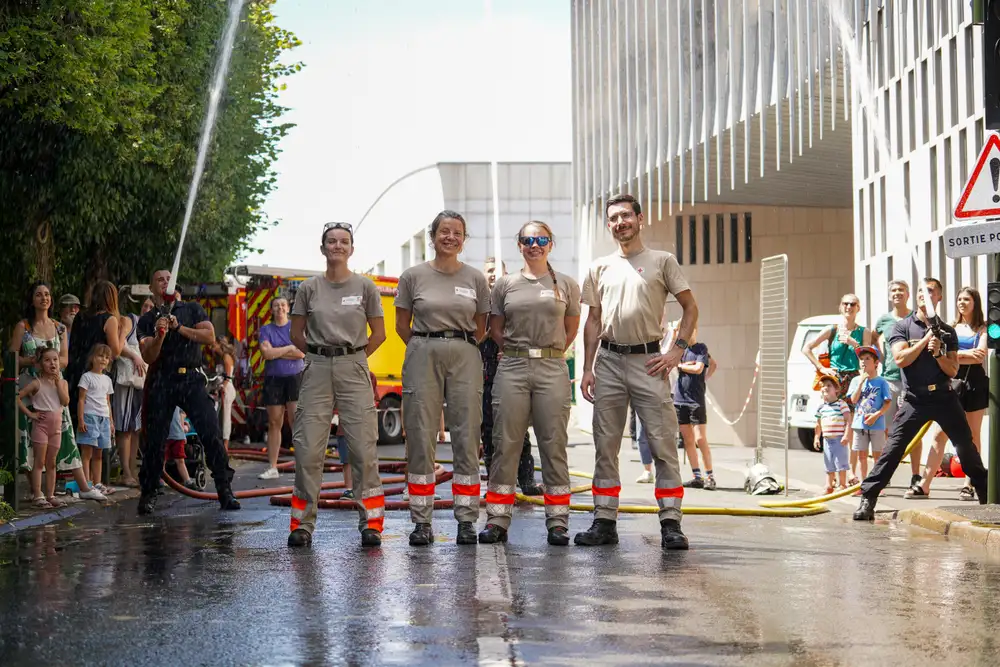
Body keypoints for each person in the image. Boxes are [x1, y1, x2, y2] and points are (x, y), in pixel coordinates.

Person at [578, 193, 698, 551]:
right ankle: (604, 521)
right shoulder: (599, 267)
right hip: (609, 362)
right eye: (613, 218)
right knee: (605, 446)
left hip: (649, 361)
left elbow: (691, 309)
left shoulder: (662, 261)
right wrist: (586, 367)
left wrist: (677, 352)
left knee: (663, 444)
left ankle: (671, 522)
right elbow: (593, 319)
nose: (620, 223)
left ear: (640, 219)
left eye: (626, 216)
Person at [478, 222, 581, 545]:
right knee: (505, 444)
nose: (534, 245)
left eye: (540, 240)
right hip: (513, 366)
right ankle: (497, 519)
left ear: (551, 244)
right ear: (519, 244)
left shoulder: (566, 284)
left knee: (554, 445)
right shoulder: (505, 285)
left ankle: (558, 521)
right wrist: (515, 352)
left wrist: (552, 352)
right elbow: (495, 328)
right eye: (527, 240)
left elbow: (572, 327)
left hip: (551, 366)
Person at [854, 278, 990, 520]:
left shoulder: (947, 331)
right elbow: (900, 359)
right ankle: (868, 498)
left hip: (944, 397)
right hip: (914, 399)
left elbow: (952, 370)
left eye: (931, 292)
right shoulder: (903, 327)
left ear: (938, 297)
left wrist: (938, 354)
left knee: (966, 447)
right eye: (921, 291)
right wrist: (927, 340)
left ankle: (985, 494)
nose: (925, 295)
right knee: (893, 449)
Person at [287, 222, 386, 548]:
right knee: (308, 449)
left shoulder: (366, 287)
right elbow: (296, 334)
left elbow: (380, 334)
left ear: (351, 249)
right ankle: (302, 525)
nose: (337, 246)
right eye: (332, 241)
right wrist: (318, 357)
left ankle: (371, 523)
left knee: (362, 448)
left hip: (353, 366)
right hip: (316, 366)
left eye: (344, 241)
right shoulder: (309, 288)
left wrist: (355, 357)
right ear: (323, 247)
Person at [395, 210, 490, 547]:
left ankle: (466, 519)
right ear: (433, 236)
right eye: (444, 231)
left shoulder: (476, 278)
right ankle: (422, 521)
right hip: (423, 349)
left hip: (464, 351)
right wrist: (426, 346)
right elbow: (401, 324)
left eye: (457, 233)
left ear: (463, 240)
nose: (450, 237)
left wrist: (457, 345)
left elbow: (482, 325)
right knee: (421, 435)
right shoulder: (412, 276)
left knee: (466, 435)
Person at [136, 268, 240, 515]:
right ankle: (148, 492)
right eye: (158, 279)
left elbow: (208, 335)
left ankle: (225, 490)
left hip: (191, 377)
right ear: (152, 288)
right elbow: (148, 355)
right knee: (155, 439)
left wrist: (179, 327)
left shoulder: (192, 309)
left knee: (210, 432)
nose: (164, 282)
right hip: (162, 379)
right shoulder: (147, 319)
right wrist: (160, 335)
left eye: (167, 279)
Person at [9, 283, 106, 503]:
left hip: (54, 387)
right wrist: (31, 361)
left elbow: (64, 359)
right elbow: (11, 358)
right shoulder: (23, 327)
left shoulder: (60, 328)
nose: (44, 298)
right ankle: (37, 492)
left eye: (47, 294)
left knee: (66, 435)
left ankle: (83, 485)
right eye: (38, 295)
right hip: (31, 386)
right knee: (30, 439)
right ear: (32, 299)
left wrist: (50, 364)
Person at [905, 286, 988, 501]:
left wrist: (952, 354)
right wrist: (956, 355)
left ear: (975, 303)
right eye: (960, 299)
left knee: (972, 435)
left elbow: (979, 356)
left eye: (967, 299)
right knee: (938, 434)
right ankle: (924, 484)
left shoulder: (983, 328)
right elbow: (939, 354)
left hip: (975, 384)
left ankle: (969, 484)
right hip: (950, 382)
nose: (962, 303)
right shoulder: (950, 326)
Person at [480, 256, 544, 496]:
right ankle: (494, 484)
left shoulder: (513, 299)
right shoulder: (480, 303)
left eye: (498, 270)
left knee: (518, 429)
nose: (494, 274)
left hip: (513, 369)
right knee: (489, 432)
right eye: (489, 270)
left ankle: (526, 481)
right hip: (486, 374)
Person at [803, 294, 873, 480]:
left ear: (858, 308)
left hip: (854, 379)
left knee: (853, 425)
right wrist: (821, 367)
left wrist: (853, 343)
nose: (849, 307)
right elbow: (807, 348)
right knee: (833, 424)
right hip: (834, 379)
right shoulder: (832, 330)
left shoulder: (864, 331)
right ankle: (834, 474)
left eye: (853, 304)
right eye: (846, 304)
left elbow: (867, 356)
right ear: (840, 307)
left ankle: (850, 472)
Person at [873, 280, 922, 487]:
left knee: (914, 428)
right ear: (889, 295)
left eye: (901, 290)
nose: (897, 293)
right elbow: (874, 338)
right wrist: (881, 358)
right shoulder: (884, 320)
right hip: (890, 379)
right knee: (888, 429)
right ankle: (887, 474)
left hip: (912, 380)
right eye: (893, 290)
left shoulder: (915, 317)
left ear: (908, 294)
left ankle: (915, 474)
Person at [66, 280, 126, 429]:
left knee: (77, 415)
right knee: (95, 416)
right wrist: (124, 331)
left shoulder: (81, 316)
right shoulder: (109, 319)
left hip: (75, 370)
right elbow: (115, 352)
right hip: (95, 372)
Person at [257, 297, 305, 479]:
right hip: (273, 379)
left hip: (295, 378)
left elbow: (301, 353)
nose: (280, 308)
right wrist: (288, 348)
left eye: (283, 305)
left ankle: (302, 465)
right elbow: (267, 354)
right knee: (274, 423)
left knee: (296, 422)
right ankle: (272, 467)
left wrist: (277, 351)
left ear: (288, 308)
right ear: (272, 309)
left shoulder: (295, 328)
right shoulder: (266, 329)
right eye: (276, 305)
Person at [16, 346, 70, 508]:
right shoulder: (36, 383)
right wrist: (31, 414)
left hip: (57, 428)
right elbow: (18, 398)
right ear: (39, 365)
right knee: (39, 462)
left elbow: (65, 401)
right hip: (41, 427)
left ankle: (50, 495)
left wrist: (58, 382)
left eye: (55, 359)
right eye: (47, 360)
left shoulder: (63, 382)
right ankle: (38, 495)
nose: (52, 363)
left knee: (52, 462)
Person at [674, 329, 717, 490]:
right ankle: (696, 476)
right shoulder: (679, 349)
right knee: (688, 439)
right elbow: (670, 360)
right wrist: (683, 365)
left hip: (696, 400)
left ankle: (710, 476)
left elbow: (701, 367)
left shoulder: (701, 348)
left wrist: (704, 377)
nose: (687, 333)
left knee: (700, 439)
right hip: (680, 399)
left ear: (696, 331)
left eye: (690, 330)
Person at [112, 300, 147, 488]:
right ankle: (126, 472)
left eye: (151, 307)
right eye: (146, 305)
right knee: (125, 428)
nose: (148, 309)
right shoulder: (130, 320)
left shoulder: (150, 328)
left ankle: (131, 471)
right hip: (127, 382)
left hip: (141, 383)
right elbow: (118, 345)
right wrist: (135, 356)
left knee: (135, 430)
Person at [846, 346, 891, 486]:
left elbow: (887, 403)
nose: (863, 362)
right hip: (860, 424)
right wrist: (860, 382)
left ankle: (877, 484)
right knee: (862, 456)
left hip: (876, 424)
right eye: (861, 359)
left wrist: (876, 415)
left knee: (877, 455)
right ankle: (864, 483)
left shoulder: (882, 382)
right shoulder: (855, 381)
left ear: (876, 363)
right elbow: (853, 400)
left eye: (867, 359)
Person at [76, 343, 115, 493]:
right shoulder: (86, 377)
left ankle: (97, 483)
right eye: (100, 356)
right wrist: (81, 419)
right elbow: (81, 399)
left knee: (99, 453)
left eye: (106, 357)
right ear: (92, 357)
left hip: (104, 418)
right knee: (87, 453)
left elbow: (107, 401)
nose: (103, 360)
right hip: (89, 417)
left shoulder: (107, 380)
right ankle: (86, 484)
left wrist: (111, 421)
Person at [814, 376, 851, 493]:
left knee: (841, 462)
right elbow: (818, 424)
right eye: (823, 386)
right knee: (828, 462)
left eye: (829, 385)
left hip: (839, 438)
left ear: (836, 390)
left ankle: (843, 484)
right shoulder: (821, 408)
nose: (825, 388)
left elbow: (848, 421)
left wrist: (846, 435)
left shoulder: (841, 404)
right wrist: (816, 437)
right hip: (827, 440)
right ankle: (829, 485)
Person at [212, 335, 238, 452]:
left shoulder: (227, 357)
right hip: (220, 388)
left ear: (219, 344)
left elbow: (228, 376)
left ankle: (225, 445)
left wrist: (223, 387)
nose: (212, 348)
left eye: (214, 345)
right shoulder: (219, 357)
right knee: (218, 415)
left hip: (226, 389)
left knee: (225, 417)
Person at [165, 408, 199, 489]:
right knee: (162, 459)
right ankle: (161, 479)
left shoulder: (178, 399)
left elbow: (182, 414)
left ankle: (187, 480)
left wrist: (183, 431)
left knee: (180, 460)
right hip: (165, 434)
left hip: (177, 434)